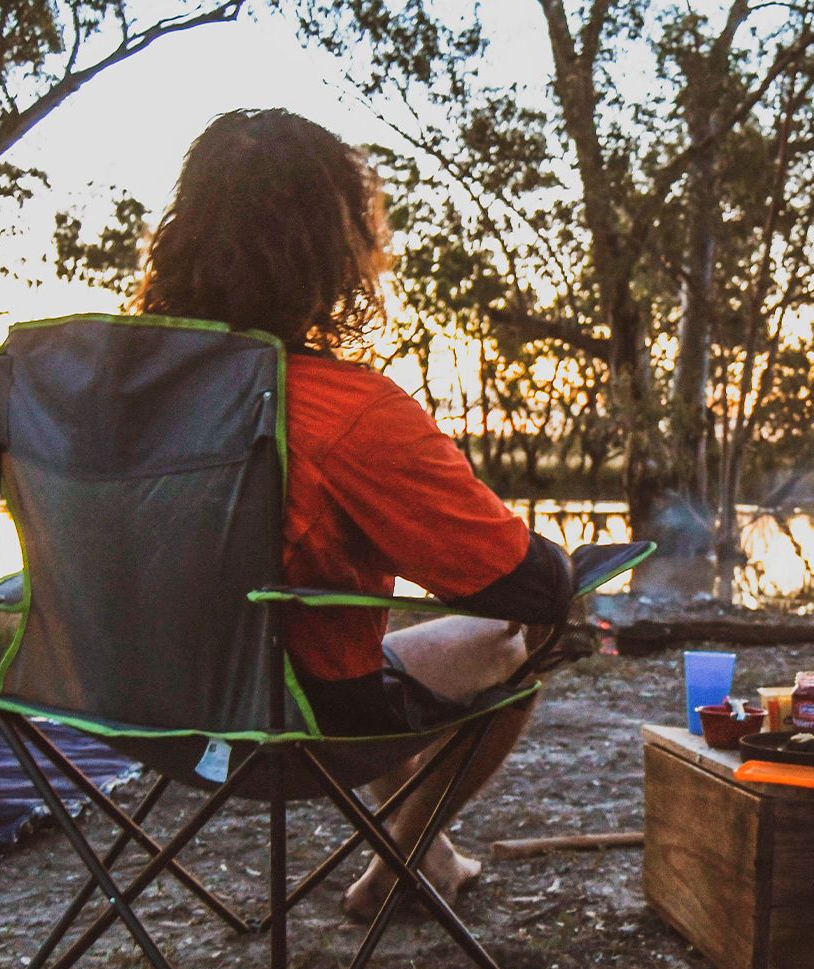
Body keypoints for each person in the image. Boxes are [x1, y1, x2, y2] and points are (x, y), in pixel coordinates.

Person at [136, 108, 575, 920]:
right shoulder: (345, 411)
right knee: (524, 636)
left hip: (125, 707)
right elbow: (528, 584)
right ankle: (403, 868)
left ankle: (428, 861)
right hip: (283, 730)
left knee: (343, 635)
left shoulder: (118, 391)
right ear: (333, 250)